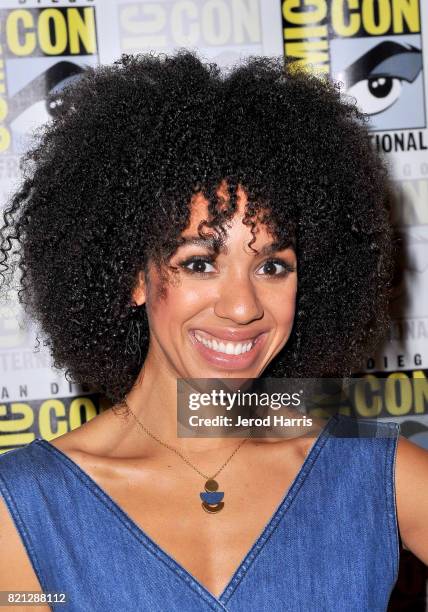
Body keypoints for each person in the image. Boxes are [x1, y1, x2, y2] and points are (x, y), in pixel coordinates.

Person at [0, 50, 427, 612]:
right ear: (134, 276)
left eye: (272, 266)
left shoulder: (378, 471)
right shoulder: (25, 504)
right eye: (200, 262)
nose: (243, 307)